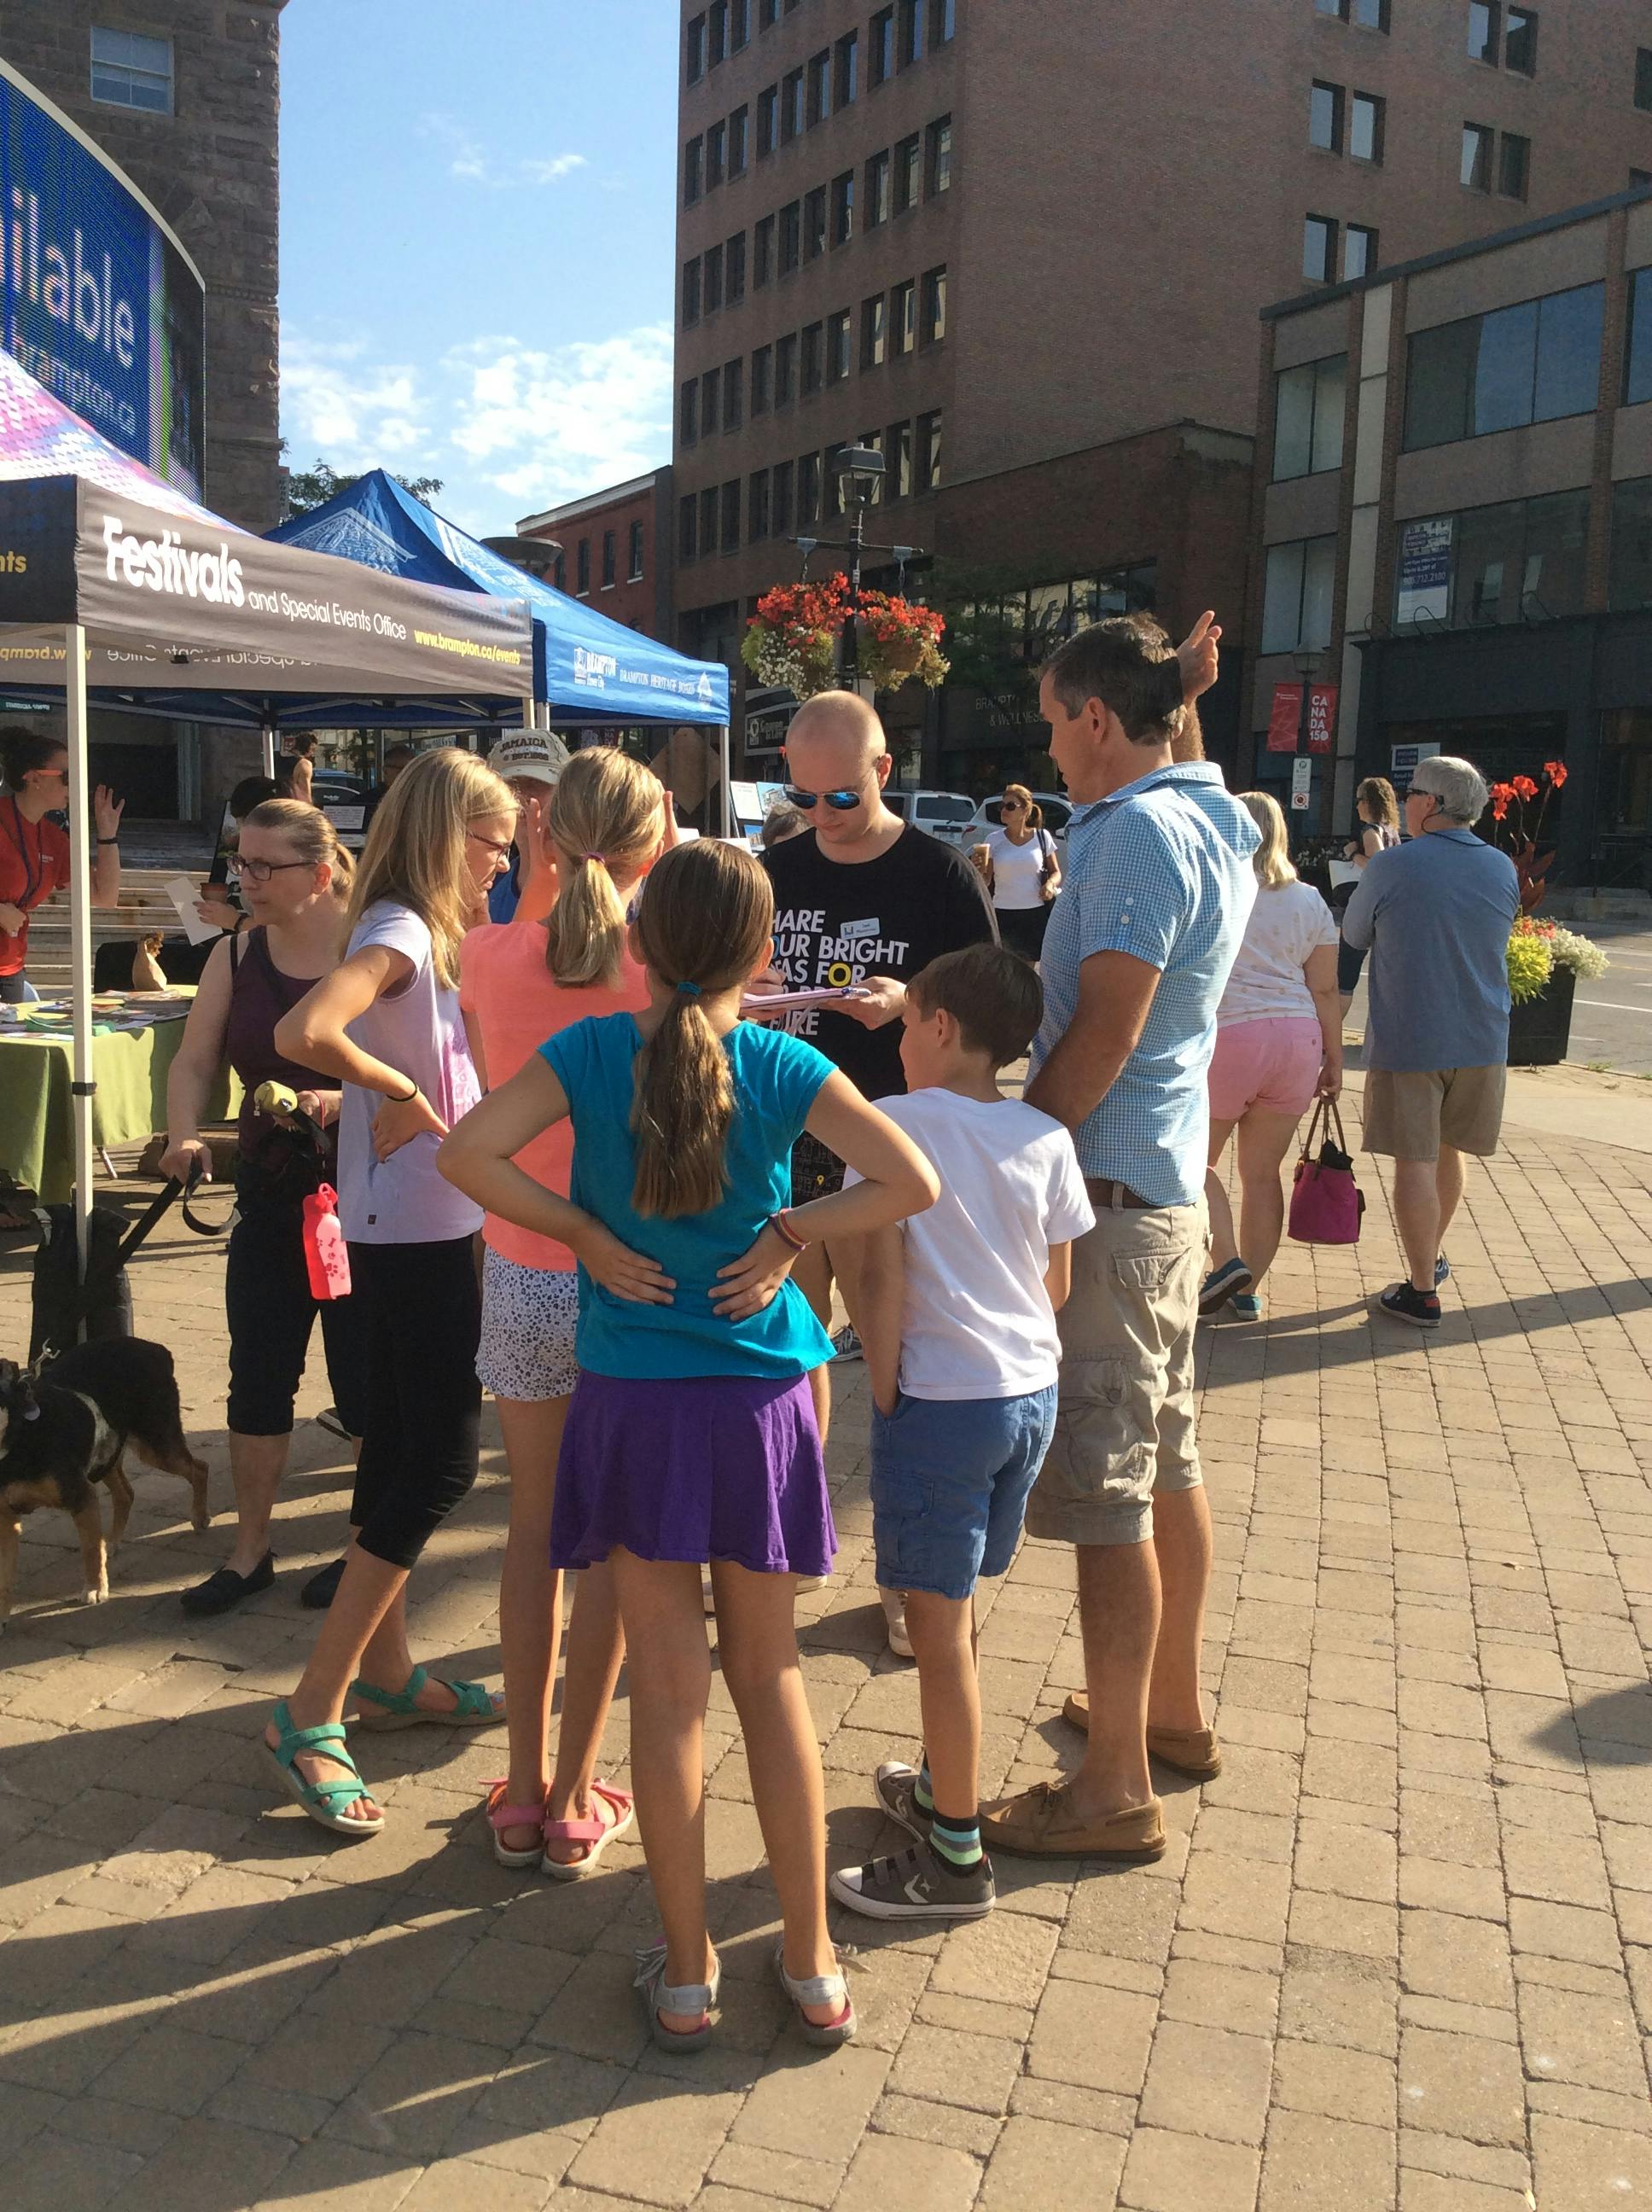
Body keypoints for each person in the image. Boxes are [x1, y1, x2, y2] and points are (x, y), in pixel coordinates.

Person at [438, 839, 938, 2051]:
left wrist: (582, 1234)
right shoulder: (784, 1060)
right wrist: (786, 1233)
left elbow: (464, 1154)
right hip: (759, 1405)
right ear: (762, 958)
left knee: (664, 1701)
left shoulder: (589, 1050)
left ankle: (686, 1974)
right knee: (770, 1684)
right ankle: (814, 1965)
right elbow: (910, 1179)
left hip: (632, 1403)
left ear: (638, 949)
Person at [977, 612, 1257, 1863]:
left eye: (1055, 721)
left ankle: (1114, 1788)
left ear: (1098, 720)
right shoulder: (1211, 813)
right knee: (1167, 1461)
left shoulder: (1140, 831)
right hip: (1162, 1195)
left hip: (1113, 1197)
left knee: (1107, 1495)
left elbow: (1106, 1026)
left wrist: (1016, 1150)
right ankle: (1170, 1716)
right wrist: (1183, 690)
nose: (1049, 747)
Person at [258, 748, 517, 1837]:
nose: (500, 863)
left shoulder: (418, 930)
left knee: (404, 1447)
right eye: (492, 842)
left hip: (424, 1222)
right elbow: (301, 1033)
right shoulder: (404, 927)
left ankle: (391, 1674)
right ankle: (312, 1709)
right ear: (444, 833)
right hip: (415, 1233)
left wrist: (389, 1098)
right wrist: (396, 1088)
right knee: (442, 1460)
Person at [828, 946, 1092, 1922]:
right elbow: (1055, 1285)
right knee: (959, 1609)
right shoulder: (1044, 1135)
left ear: (938, 1027)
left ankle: (954, 1858)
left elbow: (876, 1275)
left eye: (905, 1024)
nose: (899, 1041)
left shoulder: (890, 1127)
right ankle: (945, 1789)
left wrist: (888, 1387)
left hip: (939, 1404)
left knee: (936, 1638)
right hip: (1029, 1397)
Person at [458, 747, 662, 1874]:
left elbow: (542, 937)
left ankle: (523, 1789)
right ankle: (581, 1794)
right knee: (614, 1538)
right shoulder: (669, 966)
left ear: (545, 837)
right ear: (653, 841)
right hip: (630, 1277)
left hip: (525, 1270)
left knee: (533, 1530)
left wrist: (547, 875)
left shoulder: (486, 956)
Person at [760, 690, 994, 1650]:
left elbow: (987, 1012)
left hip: (895, 1142)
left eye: (841, 799)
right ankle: (792, 1538)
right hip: (783, 1132)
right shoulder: (770, 869)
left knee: (900, 1366)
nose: (821, 817)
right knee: (785, 1350)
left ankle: (913, 1575)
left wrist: (908, 1004)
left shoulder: (939, 871)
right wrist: (756, 995)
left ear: (883, 773)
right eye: (802, 797)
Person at [160, 800, 367, 1615]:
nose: (243, 879)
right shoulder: (236, 953)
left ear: (320, 876)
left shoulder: (374, 952)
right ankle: (251, 1551)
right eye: (240, 862)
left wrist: (339, 1100)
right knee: (257, 1376)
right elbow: (193, 1062)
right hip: (269, 1195)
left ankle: (363, 1548)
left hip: (364, 1206)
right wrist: (183, 1136)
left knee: (363, 1384)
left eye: (262, 867)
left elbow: (429, 1073)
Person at [1341, 754, 1518, 1329]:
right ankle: (1430, 1259)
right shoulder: (1501, 867)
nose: (1407, 799)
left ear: (1433, 805)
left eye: (1412, 791)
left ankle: (1421, 1290)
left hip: (1413, 1037)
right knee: (1451, 1152)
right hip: (1483, 1037)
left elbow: (1354, 934)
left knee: (1414, 1162)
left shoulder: (1393, 866)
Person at [1200, 791, 1341, 1321]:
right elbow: (1325, 988)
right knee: (1263, 1174)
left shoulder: (1217, 889)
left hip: (1230, 1036)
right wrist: (1335, 1058)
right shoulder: (1308, 900)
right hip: (1298, 1039)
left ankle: (1226, 1260)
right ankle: (1248, 1289)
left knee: (1195, 1163)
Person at [0, 728, 124, 1004]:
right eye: (67, 777)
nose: (75, 786)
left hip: (11, 968)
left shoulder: (54, 838)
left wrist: (107, 835)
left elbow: (105, 897)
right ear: (33, 778)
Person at [486, 730, 571, 925]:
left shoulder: (591, 889)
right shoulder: (486, 886)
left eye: (536, 783)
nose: (522, 797)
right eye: (511, 785)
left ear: (563, 793)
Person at [1337, 776, 1401, 1015]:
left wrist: (1353, 854)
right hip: (1388, 907)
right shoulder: (1392, 831)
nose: (1356, 806)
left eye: (1359, 800)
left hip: (1365, 906)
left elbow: (1377, 864)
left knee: (1345, 976)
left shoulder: (1370, 830)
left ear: (1369, 802)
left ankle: (1330, 1035)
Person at [986, 785, 1062, 961]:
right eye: (1001, 806)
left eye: (1010, 806)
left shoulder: (1042, 837)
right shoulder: (993, 839)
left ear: (1026, 810)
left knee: (1028, 969)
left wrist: (1050, 884)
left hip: (1034, 913)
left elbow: (1056, 872)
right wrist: (978, 868)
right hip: (1001, 912)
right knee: (1002, 969)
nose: (1004, 810)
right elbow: (986, 880)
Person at [278, 733, 317, 806]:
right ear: (309, 747)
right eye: (313, 749)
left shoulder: (274, 759)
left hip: (270, 804)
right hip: (290, 805)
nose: (312, 753)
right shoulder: (304, 764)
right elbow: (305, 793)